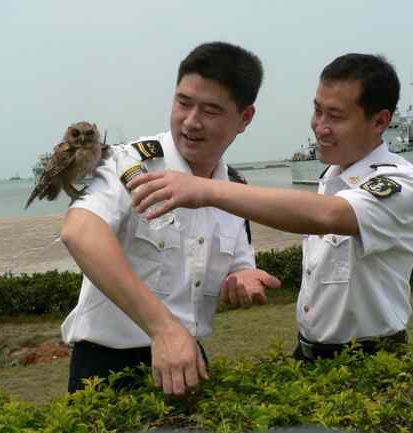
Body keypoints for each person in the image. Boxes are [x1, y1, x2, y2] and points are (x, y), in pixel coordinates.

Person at [129, 53, 413, 362]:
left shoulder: (397, 180)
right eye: (317, 111)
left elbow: (329, 215)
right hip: (308, 354)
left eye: (335, 117)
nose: (320, 127)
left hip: (371, 358)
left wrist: (206, 189)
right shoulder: (331, 178)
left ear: (380, 121)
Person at [60, 41, 281, 396]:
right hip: (108, 368)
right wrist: (164, 329)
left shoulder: (234, 188)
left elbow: (239, 261)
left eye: (210, 110)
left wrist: (243, 276)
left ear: (245, 118)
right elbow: (80, 233)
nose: (191, 122)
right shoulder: (129, 162)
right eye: (183, 103)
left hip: (189, 358)